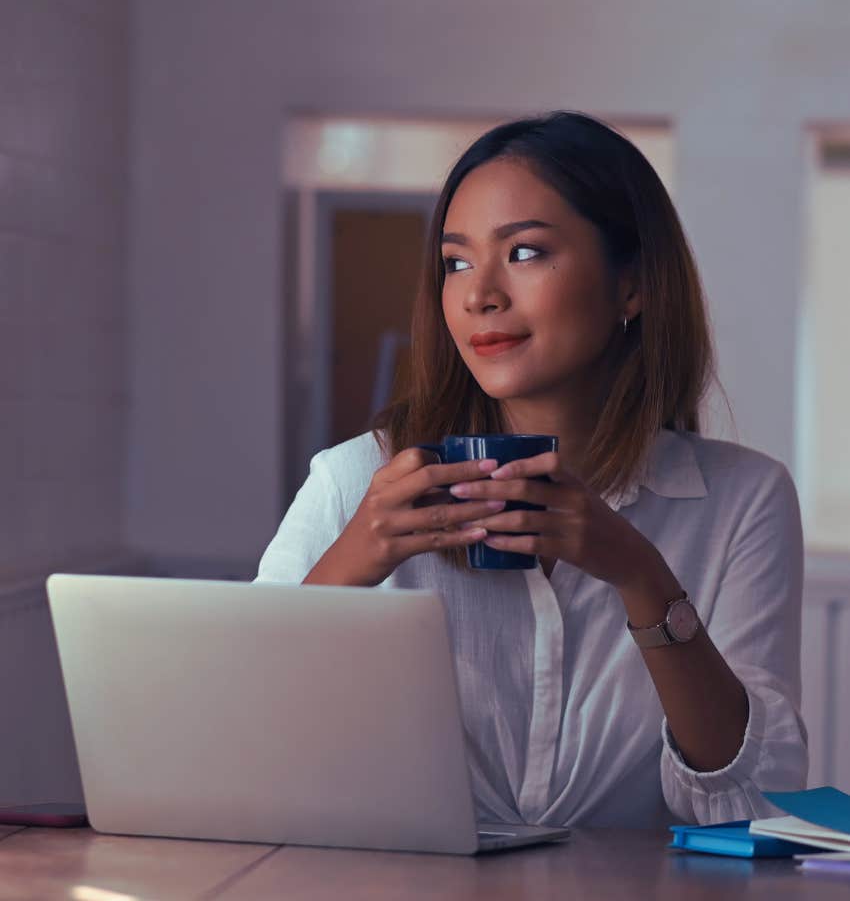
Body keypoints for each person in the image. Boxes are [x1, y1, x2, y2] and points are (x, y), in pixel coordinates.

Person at [256, 111, 808, 828]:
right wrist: (352, 561)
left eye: (523, 252)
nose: (479, 293)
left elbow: (752, 801)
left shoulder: (743, 500)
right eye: (456, 262)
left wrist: (641, 576)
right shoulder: (354, 480)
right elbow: (243, 739)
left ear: (632, 285)